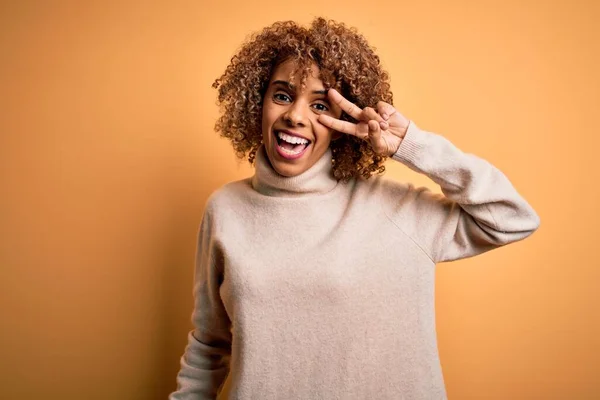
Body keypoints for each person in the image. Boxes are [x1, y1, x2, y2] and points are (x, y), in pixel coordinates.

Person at [169, 17, 540, 400]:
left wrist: (410, 145)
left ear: (343, 119)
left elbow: (513, 218)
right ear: (256, 102)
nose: (296, 116)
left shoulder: (397, 210)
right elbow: (209, 345)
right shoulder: (226, 210)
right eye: (282, 95)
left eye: (319, 105)